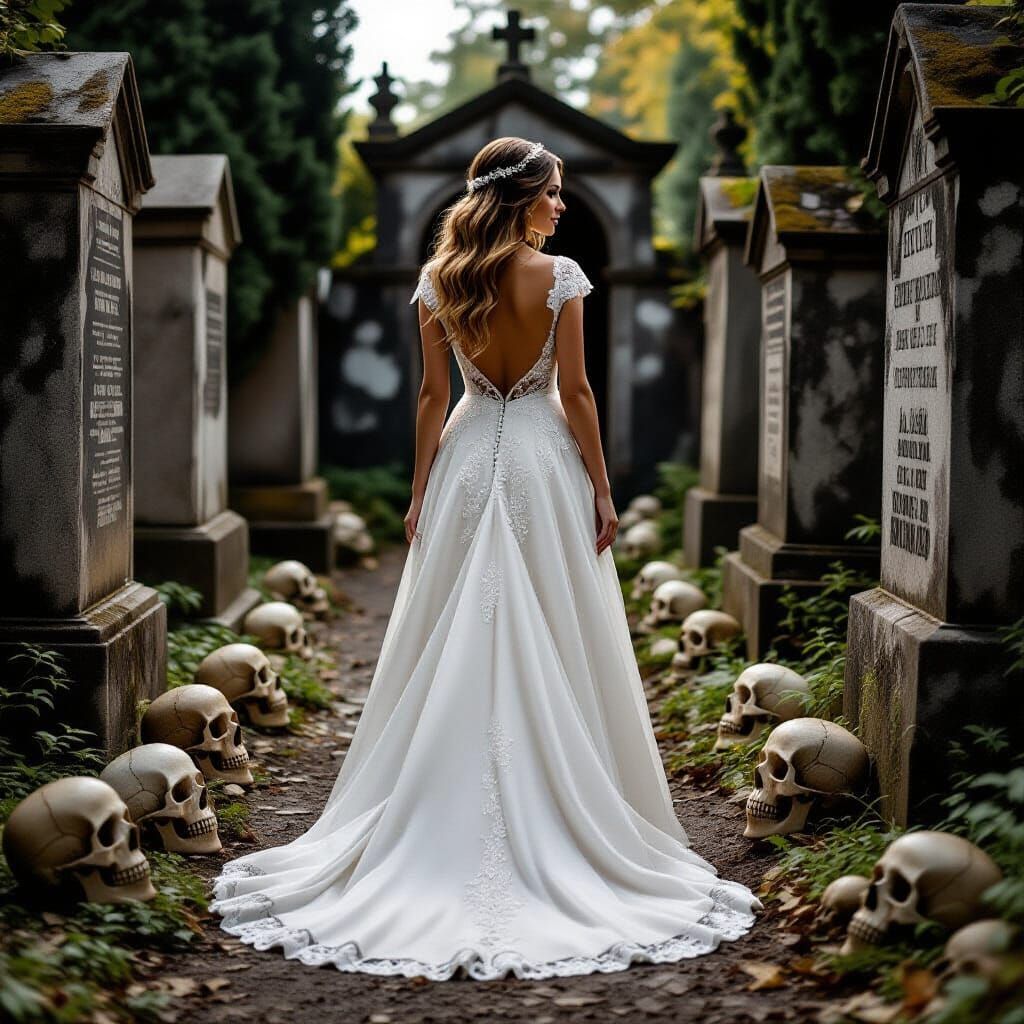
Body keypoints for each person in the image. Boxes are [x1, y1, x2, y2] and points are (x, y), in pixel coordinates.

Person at [210, 136, 761, 981]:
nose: (562, 206)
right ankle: (565, 801)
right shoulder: (562, 276)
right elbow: (575, 393)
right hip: (542, 459)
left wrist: (421, 487)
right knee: (552, 616)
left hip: (468, 461)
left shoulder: (442, 281)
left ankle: (433, 805)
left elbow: (435, 397)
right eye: (553, 193)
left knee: (455, 622)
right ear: (524, 197)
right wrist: (603, 487)